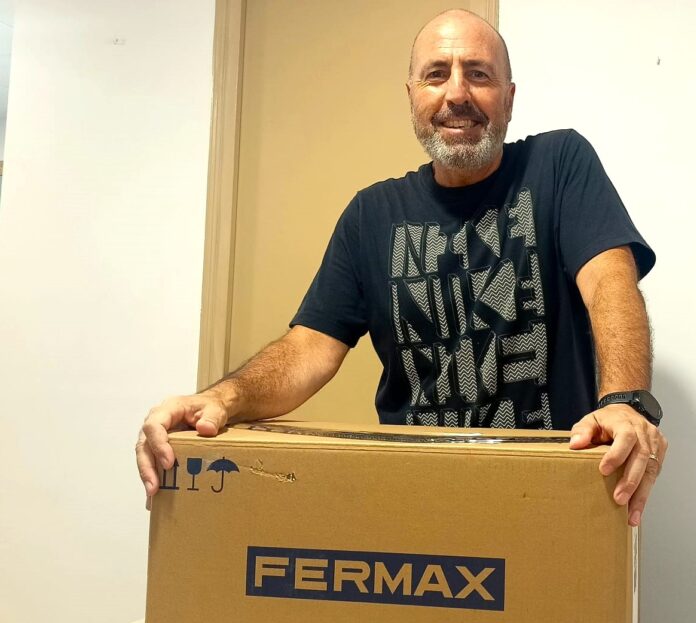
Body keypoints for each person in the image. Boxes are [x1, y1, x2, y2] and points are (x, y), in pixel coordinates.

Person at [136, 9, 667, 527]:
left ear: (509, 97)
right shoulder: (371, 215)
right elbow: (308, 349)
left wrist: (624, 403)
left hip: (551, 492)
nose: (456, 93)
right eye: (436, 74)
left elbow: (609, 281)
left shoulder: (559, 164)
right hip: (412, 500)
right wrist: (218, 399)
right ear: (412, 96)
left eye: (478, 74)